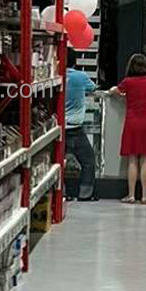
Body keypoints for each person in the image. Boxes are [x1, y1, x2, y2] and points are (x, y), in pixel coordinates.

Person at [109, 53, 146, 204]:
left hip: (132, 121)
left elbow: (114, 91)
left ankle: (131, 195)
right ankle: (144, 195)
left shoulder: (127, 82)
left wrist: (115, 91)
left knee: (132, 159)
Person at [64, 49, 97, 201]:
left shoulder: (57, 76)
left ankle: (62, 192)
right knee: (88, 161)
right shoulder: (81, 76)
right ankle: (85, 193)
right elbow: (93, 88)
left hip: (59, 129)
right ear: (74, 61)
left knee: (57, 162)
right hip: (76, 128)